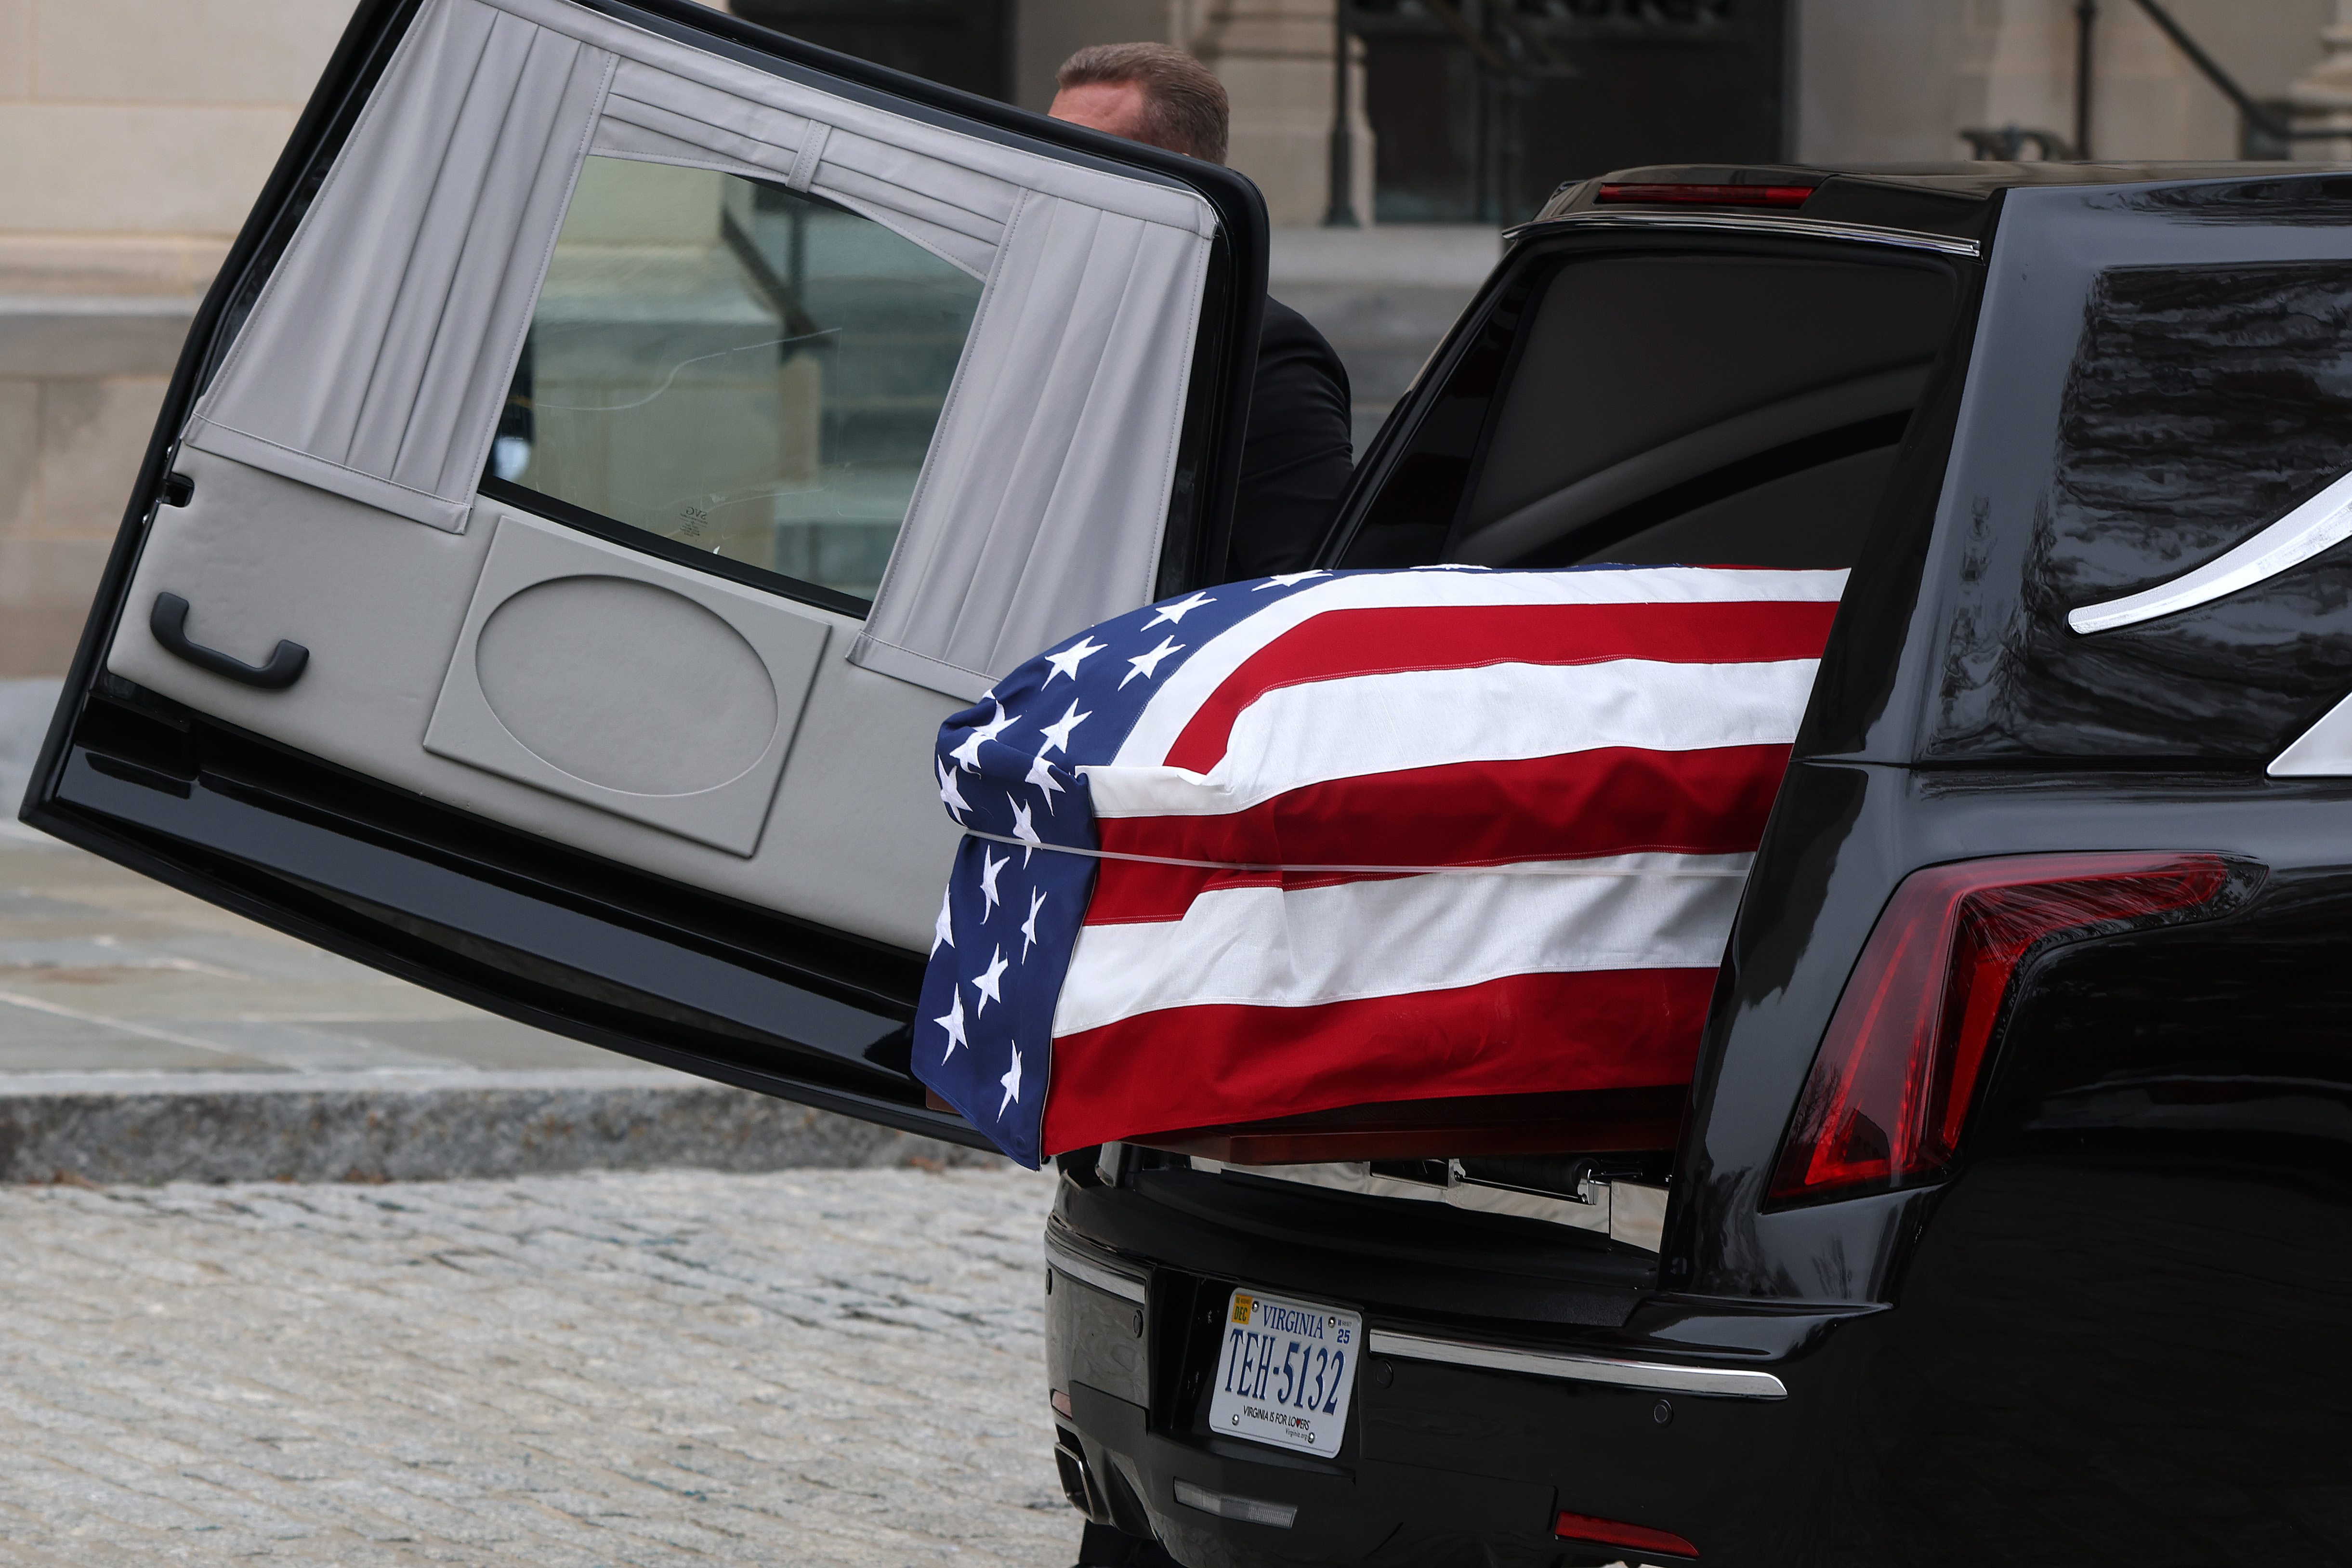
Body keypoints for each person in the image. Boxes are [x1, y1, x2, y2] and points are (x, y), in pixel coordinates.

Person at [1050, 43, 1355, 582]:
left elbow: (1303, 587)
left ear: (1181, 182)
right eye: (1048, 150)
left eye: (1087, 155)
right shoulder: (1052, 321)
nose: (1056, 177)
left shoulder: (1261, 354)